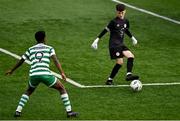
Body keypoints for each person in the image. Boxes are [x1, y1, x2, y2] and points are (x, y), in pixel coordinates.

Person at [6, 31, 78, 118]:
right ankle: (69, 112)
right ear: (44, 38)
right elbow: (55, 60)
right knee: (61, 88)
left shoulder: (30, 49)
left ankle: (18, 111)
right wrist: (62, 73)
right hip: (45, 74)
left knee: (29, 91)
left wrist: (12, 70)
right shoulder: (49, 48)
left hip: (33, 75)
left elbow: (21, 60)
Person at [91, 4, 139, 85]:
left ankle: (124, 76)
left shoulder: (126, 21)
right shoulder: (113, 22)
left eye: (122, 13)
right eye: (119, 13)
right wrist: (96, 40)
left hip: (120, 44)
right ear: (116, 12)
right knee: (120, 62)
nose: (120, 14)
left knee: (130, 57)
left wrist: (132, 38)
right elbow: (105, 30)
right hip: (114, 45)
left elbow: (125, 30)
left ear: (125, 11)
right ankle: (114, 78)